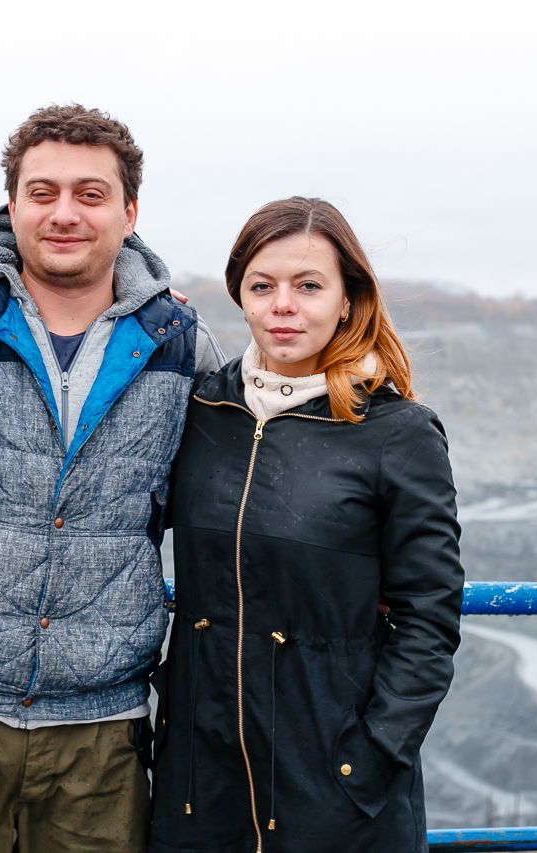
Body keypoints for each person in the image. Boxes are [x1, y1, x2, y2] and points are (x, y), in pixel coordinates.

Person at [0, 104, 225, 853]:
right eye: (43, 192)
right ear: (12, 204)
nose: (64, 214)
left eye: (91, 194)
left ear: (129, 212)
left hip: (102, 731)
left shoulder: (182, 345)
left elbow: (245, 490)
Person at [149, 197, 464, 853]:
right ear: (240, 295)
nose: (283, 306)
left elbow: (429, 617)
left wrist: (370, 758)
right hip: (201, 784)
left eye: (309, 286)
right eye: (262, 286)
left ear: (348, 300)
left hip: (334, 789)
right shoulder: (201, 410)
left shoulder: (397, 433)